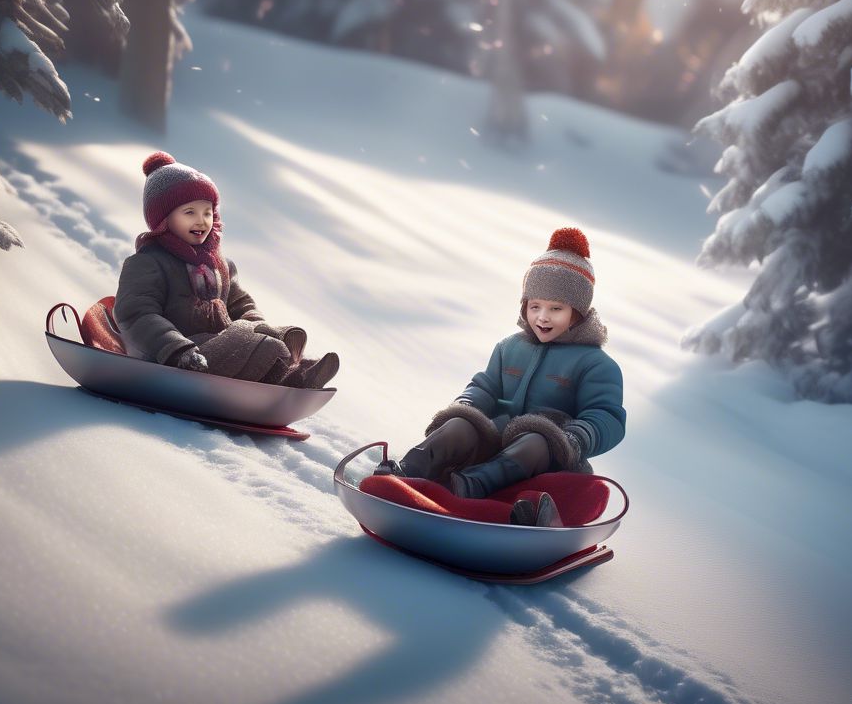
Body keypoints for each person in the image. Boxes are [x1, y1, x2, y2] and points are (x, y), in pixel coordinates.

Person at [375, 227, 624, 526]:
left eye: (556, 308)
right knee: (459, 425)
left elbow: (606, 416)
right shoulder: (510, 347)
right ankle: (404, 474)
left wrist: (574, 438)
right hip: (494, 440)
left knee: (535, 439)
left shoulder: (595, 364)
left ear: (578, 313)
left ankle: (467, 489)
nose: (542, 317)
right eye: (535, 306)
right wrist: (468, 407)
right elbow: (486, 387)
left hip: (548, 456)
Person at [114, 152, 338, 388]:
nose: (201, 221)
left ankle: (293, 372)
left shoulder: (219, 265)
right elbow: (136, 314)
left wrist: (256, 323)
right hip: (177, 358)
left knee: (276, 336)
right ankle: (289, 376)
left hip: (218, 346)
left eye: (207, 212)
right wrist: (176, 348)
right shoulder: (148, 262)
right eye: (189, 212)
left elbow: (240, 303)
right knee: (265, 346)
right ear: (163, 219)